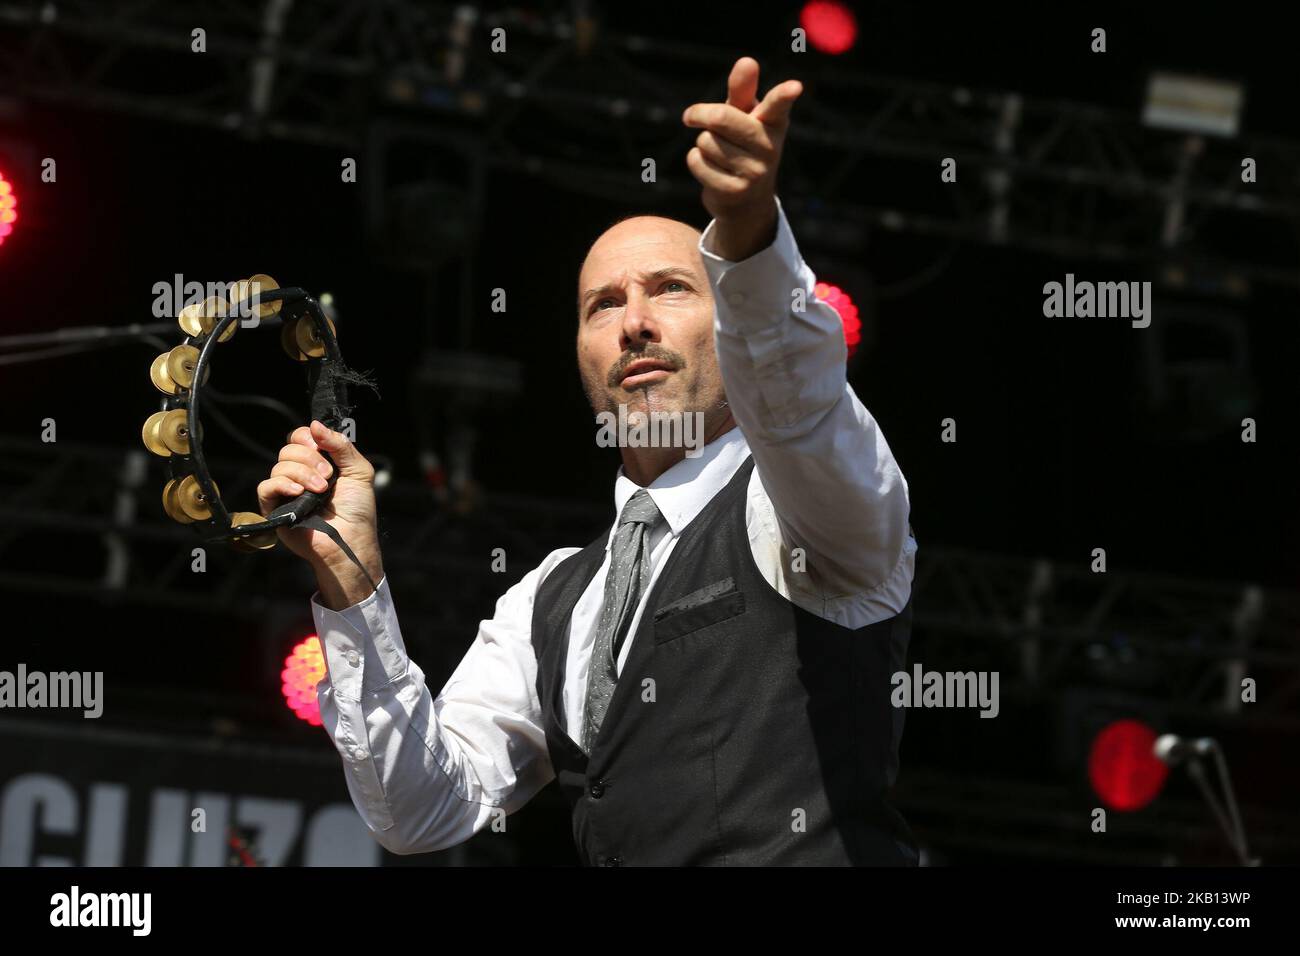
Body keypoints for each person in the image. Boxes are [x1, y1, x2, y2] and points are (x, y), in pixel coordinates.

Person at [258, 57, 918, 865]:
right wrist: (351, 578)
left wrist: (747, 241)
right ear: (577, 352)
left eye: (672, 289)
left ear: (730, 325)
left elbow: (799, 404)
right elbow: (421, 810)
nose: (634, 323)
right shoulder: (553, 596)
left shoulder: (803, 506)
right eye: (604, 305)